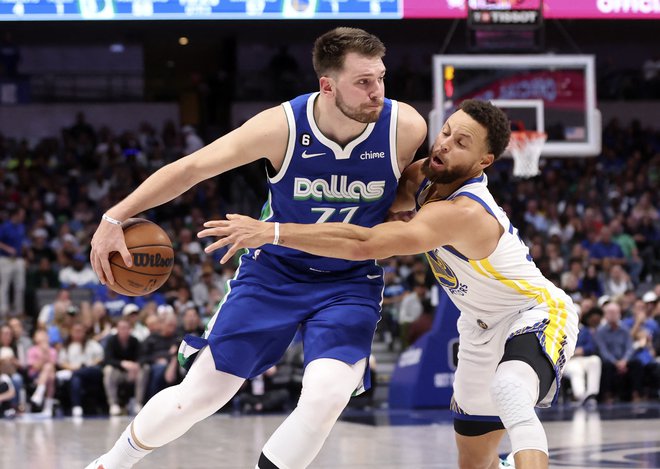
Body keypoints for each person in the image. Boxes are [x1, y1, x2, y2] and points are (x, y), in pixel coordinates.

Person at [86, 27, 426, 469]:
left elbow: (420, 192)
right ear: (327, 85)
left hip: (349, 281)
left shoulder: (406, 127)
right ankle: (109, 464)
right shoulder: (281, 126)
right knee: (201, 395)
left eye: (380, 77)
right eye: (363, 81)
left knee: (326, 396)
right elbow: (193, 167)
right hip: (274, 273)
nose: (376, 91)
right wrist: (114, 217)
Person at [202, 99, 580, 469]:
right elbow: (365, 209)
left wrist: (275, 231)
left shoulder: (464, 212)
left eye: (461, 143)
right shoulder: (423, 177)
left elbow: (365, 243)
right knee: (476, 462)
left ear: (484, 162)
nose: (445, 144)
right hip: (478, 327)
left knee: (510, 391)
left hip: (534, 311)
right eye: (446, 132)